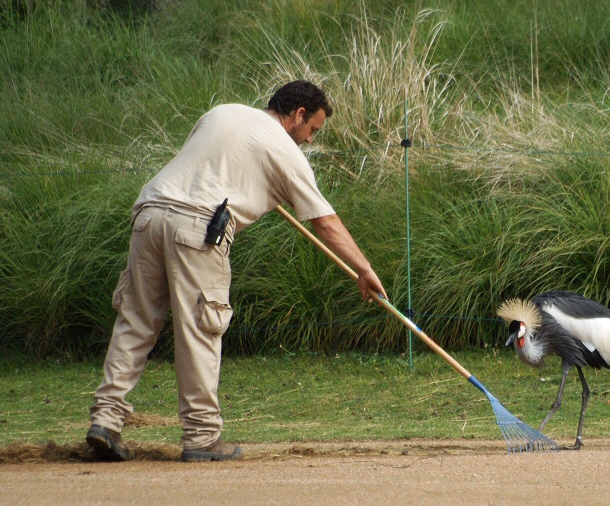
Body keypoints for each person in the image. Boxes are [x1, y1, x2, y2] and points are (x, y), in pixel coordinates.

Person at [86, 80, 388, 462]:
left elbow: (208, 165)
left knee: (136, 322)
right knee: (201, 328)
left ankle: (105, 421)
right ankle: (201, 437)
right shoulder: (284, 150)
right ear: (298, 115)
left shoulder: (221, 112)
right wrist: (364, 269)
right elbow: (325, 222)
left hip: (149, 215)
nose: (310, 140)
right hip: (197, 230)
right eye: (312, 129)